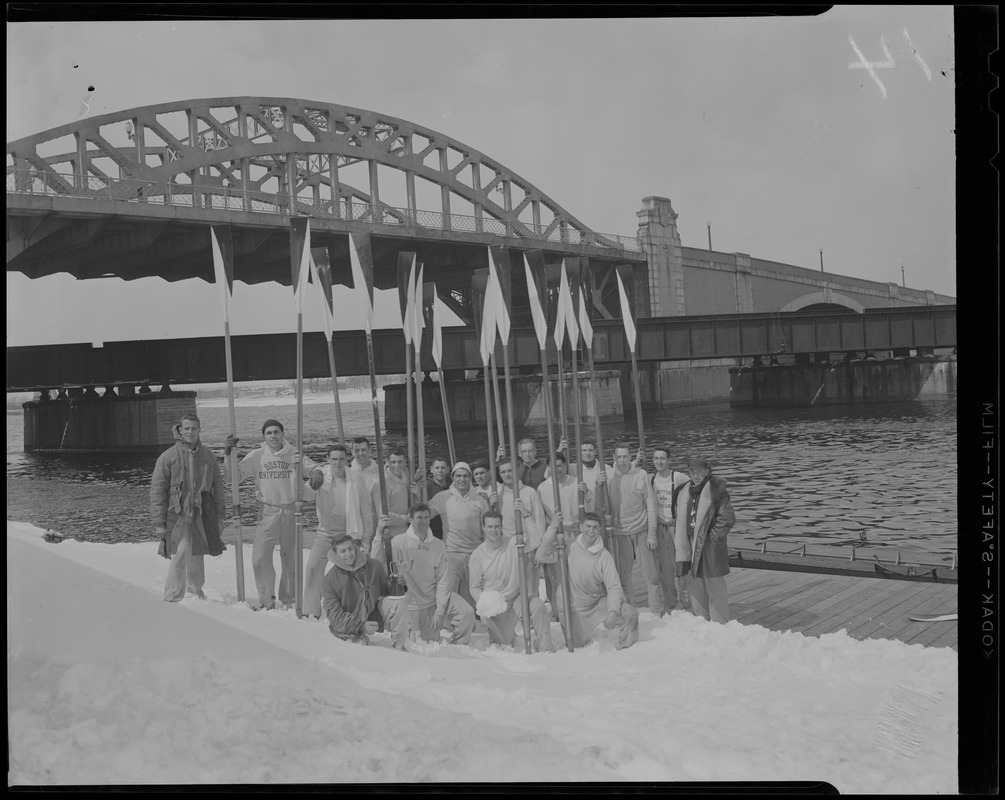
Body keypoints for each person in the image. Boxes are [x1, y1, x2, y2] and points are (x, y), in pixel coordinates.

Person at [225, 419, 319, 610]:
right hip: (267, 510)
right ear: (264, 436)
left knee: (290, 557)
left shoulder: (294, 453)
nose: (273, 436)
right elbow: (232, 477)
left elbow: (314, 468)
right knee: (260, 557)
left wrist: (316, 474)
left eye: (276, 432)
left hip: (291, 509)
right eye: (269, 433)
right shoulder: (256, 456)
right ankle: (266, 599)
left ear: (283, 433)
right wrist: (228, 455)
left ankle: (289, 599)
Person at [150, 414, 226, 602]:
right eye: (187, 428)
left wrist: (220, 516)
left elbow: (218, 487)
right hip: (178, 513)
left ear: (199, 430)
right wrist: (159, 522)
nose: (190, 432)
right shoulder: (168, 457)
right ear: (180, 431)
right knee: (180, 553)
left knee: (197, 552)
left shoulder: (208, 456)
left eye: (194, 428)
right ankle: (172, 595)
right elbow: (157, 491)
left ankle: (195, 591)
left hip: (202, 512)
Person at [380, 503, 475, 647]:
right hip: (412, 605)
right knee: (423, 644)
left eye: (426, 517)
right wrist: (378, 535)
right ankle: (411, 628)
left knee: (466, 612)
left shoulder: (438, 545)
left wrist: (440, 611)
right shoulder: (399, 542)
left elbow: (443, 580)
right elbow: (379, 560)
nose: (423, 521)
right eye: (419, 517)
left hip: (434, 599)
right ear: (411, 520)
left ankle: (459, 648)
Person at [302, 445, 374, 619]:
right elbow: (304, 495)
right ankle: (311, 611)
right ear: (328, 459)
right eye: (334, 459)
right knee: (312, 569)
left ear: (346, 460)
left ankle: (354, 612)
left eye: (341, 459)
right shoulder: (321, 478)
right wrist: (303, 474)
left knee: (352, 576)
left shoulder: (356, 479)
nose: (338, 463)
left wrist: (366, 540)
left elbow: (366, 511)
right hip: (325, 534)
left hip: (349, 534)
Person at [468, 510, 555, 652]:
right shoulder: (477, 555)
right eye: (489, 527)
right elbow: (474, 587)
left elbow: (535, 542)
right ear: (483, 528)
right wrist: (487, 603)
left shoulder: (513, 543)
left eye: (497, 526)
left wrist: (527, 516)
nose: (493, 530)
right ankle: (507, 634)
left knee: (539, 607)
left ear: (501, 527)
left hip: (517, 598)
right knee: (503, 645)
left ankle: (545, 646)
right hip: (496, 606)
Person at [555, 512, 639, 649]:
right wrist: (553, 527)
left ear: (599, 530)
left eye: (595, 527)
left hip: (594, 604)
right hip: (571, 607)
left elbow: (614, 586)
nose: (591, 531)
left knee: (630, 613)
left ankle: (625, 646)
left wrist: (613, 612)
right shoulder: (569, 547)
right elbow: (543, 555)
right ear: (581, 526)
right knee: (576, 646)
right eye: (588, 526)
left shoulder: (604, 556)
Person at [674, 457, 736, 624]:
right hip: (690, 542)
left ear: (707, 471)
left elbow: (727, 518)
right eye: (692, 472)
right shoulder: (684, 490)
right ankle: (701, 623)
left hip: (709, 544)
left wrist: (713, 538)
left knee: (715, 587)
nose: (695, 475)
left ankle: (720, 624)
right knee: (696, 586)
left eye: (699, 472)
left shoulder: (717, 489)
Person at [601, 442, 658, 608]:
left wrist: (652, 534)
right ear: (613, 458)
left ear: (630, 457)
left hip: (641, 530)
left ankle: (657, 611)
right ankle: (629, 609)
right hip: (619, 533)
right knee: (623, 577)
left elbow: (651, 506)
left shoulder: (641, 475)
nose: (622, 460)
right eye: (618, 457)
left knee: (652, 576)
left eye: (625, 456)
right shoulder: (609, 477)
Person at [426, 462, 490, 609]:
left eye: (466, 476)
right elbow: (424, 515)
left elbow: (486, 527)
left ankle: (474, 622)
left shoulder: (480, 500)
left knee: (472, 591)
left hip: (474, 553)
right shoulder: (443, 497)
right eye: (458, 476)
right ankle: (450, 624)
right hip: (451, 553)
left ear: (470, 477)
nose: (462, 479)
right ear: (453, 477)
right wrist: (417, 496)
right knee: (450, 591)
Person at [537, 449, 591, 618]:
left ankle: (581, 611)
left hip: (575, 534)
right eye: (553, 466)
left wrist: (587, 493)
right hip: (555, 535)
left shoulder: (576, 483)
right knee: (557, 579)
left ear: (565, 465)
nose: (557, 469)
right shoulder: (543, 488)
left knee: (577, 576)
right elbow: (541, 516)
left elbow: (590, 508)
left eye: (560, 466)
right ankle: (558, 612)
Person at [321, 533, 391, 645]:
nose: (348, 554)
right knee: (359, 646)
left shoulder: (374, 565)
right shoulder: (329, 581)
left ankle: (399, 644)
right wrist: (361, 626)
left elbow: (387, 591)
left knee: (397, 602)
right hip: (349, 624)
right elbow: (336, 617)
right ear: (335, 554)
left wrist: (398, 583)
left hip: (372, 614)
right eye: (343, 551)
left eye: (350, 549)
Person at [648, 445, 692, 614]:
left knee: (680, 565)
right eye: (656, 458)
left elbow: (693, 489)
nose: (659, 462)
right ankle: (671, 604)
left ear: (669, 460)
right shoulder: (650, 479)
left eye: (662, 458)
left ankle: (686, 603)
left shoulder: (679, 477)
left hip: (675, 527)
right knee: (665, 569)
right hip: (660, 528)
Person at [496, 455, 547, 599]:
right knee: (509, 590)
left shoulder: (529, 492)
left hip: (528, 548)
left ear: (516, 470)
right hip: (505, 550)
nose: (507, 474)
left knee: (530, 590)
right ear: (499, 474)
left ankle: (532, 619)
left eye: (510, 470)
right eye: (503, 472)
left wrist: (540, 550)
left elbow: (539, 522)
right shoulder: (497, 494)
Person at [369, 447, 412, 570]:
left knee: (404, 571)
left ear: (404, 463)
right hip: (389, 535)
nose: (397, 465)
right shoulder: (381, 483)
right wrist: (406, 519)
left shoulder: (405, 476)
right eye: (393, 462)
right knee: (390, 570)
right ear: (387, 462)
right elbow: (383, 515)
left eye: (400, 462)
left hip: (404, 533)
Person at [417, 455, 452, 540]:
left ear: (448, 469)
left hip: (450, 531)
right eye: (437, 468)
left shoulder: (453, 486)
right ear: (431, 470)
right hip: (433, 531)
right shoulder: (426, 487)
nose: (440, 471)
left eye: (443, 468)